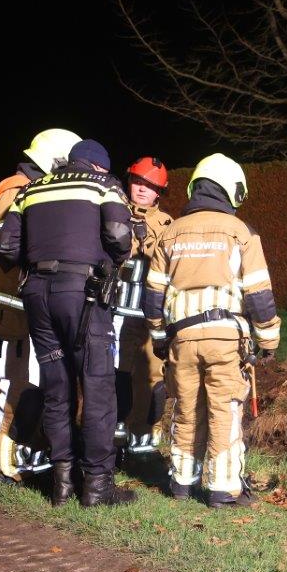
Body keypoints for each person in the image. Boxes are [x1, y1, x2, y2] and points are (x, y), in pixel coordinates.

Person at [0, 139, 136, 507]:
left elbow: (6, 247)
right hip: (82, 295)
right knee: (97, 384)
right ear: (99, 166)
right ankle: (98, 487)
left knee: (56, 385)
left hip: (37, 295)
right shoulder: (104, 187)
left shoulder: (32, 190)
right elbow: (120, 238)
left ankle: (62, 485)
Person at [143, 153, 281, 508]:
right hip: (224, 339)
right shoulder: (241, 233)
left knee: (186, 410)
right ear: (232, 190)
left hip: (181, 340)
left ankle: (181, 484)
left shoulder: (170, 233)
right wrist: (269, 340)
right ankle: (223, 490)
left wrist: (159, 338)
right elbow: (259, 294)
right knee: (224, 410)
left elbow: (154, 294)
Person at [0, 128, 80, 484]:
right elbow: (7, 242)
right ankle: (4, 465)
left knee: (33, 381)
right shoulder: (15, 189)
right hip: (10, 308)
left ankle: (24, 454)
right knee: (14, 383)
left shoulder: (31, 189)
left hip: (25, 304)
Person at [114, 157, 173, 453]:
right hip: (115, 311)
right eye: (138, 182)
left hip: (149, 313)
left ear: (158, 192)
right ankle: (115, 431)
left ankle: (146, 433)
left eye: (150, 186)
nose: (142, 189)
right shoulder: (112, 212)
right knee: (117, 372)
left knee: (151, 374)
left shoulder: (167, 225)